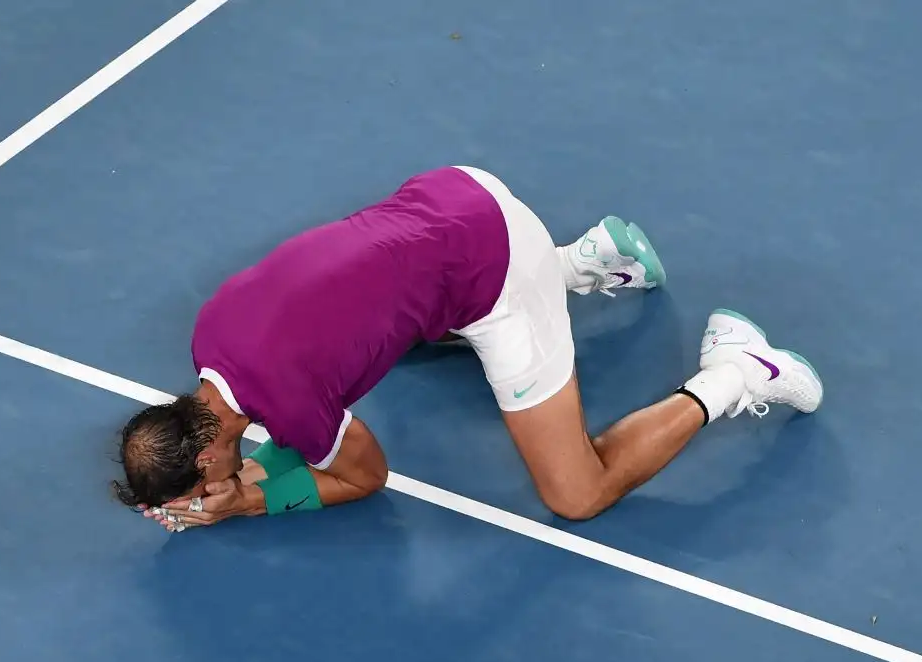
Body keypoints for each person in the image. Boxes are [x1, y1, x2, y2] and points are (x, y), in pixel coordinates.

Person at [112, 165, 821, 531]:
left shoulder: (292, 406)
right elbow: (288, 417)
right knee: (394, 338)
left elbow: (365, 478)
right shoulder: (211, 333)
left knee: (577, 494)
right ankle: (585, 260)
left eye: (202, 484)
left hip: (499, 274)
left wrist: (244, 505)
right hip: (450, 195)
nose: (210, 490)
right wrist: (255, 470)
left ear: (206, 454)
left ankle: (735, 369)